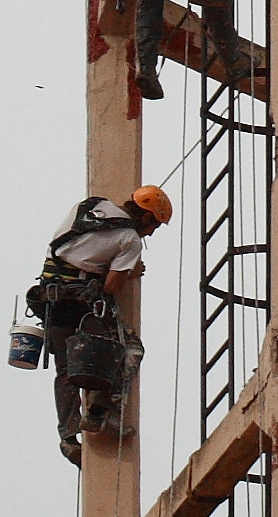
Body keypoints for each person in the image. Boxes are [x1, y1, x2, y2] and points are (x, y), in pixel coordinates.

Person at [23, 182, 172, 463]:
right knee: (127, 350)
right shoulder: (130, 239)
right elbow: (111, 287)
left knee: (66, 370)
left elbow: (78, 252)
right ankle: (101, 415)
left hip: (50, 300)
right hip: (81, 304)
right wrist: (130, 272)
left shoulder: (90, 205)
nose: (151, 233)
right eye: (154, 225)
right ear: (146, 216)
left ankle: (68, 438)